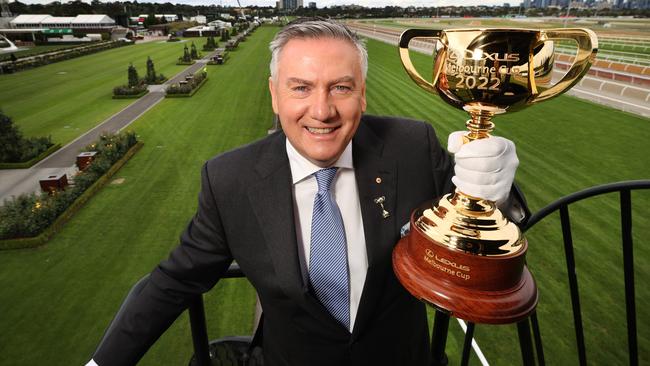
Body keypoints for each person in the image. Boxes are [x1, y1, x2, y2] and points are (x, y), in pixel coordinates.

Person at [87, 18, 526, 366]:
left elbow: (484, 215)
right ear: (275, 96)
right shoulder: (229, 179)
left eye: (341, 87)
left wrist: (496, 190)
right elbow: (175, 280)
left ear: (363, 95)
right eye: (301, 88)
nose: (322, 111)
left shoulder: (412, 146)